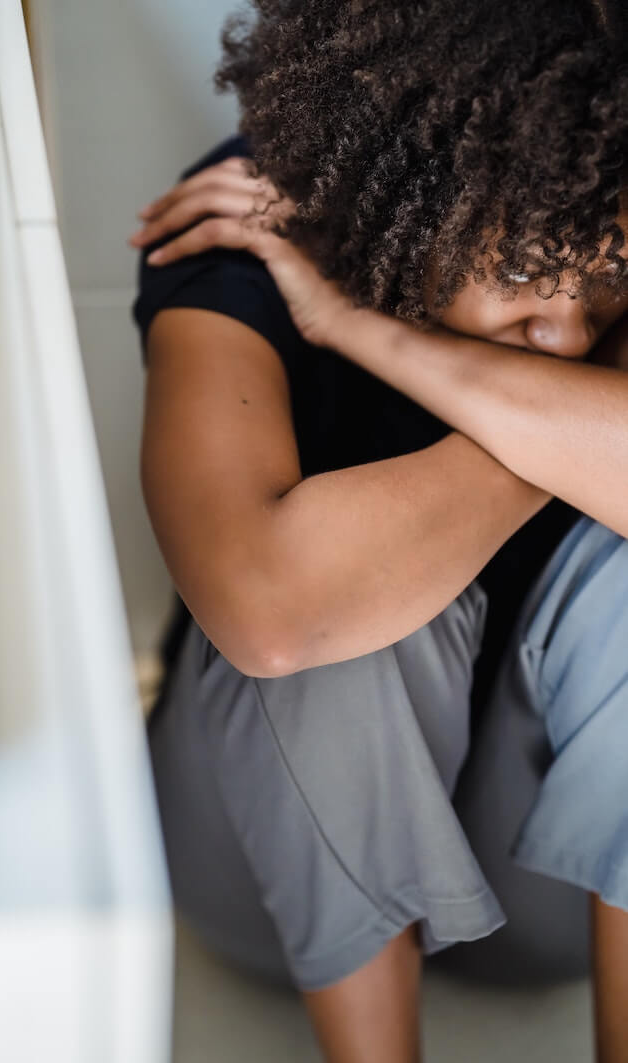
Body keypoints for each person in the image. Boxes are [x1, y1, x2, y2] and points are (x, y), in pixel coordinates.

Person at [128, 2, 628, 1059]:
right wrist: (565, 430)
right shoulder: (252, 216)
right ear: (415, 196)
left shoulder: (611, 189)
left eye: (606, 284)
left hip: (543, 876)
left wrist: (366, 332)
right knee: (345, 590)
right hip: (270, 875)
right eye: (526, 278)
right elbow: (270, 613)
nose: (566, 334)